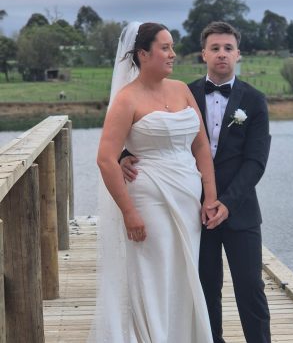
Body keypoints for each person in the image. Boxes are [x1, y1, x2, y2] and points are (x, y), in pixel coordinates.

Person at [121, 21, 272, 343]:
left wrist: (226, 203)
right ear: (204, 54)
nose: (222, 55)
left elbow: (256, 162)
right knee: (203, 288)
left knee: (251, 289)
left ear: (238, 54)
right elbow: (150, 129)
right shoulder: (182, 92)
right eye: (215, 48)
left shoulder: (255, 101)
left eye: (228, 48)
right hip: (190, 207)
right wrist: (123, 156)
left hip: (240, 210)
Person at [89, 21, 226, 343]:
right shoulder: (126, 99)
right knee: (155, 274)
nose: (172, 54)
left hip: (188, 198)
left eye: (172, 47)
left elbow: (201, 145)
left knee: (182, 273)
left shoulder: (181, 89)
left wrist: (210, 197)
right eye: (165, 48)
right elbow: (106, 159)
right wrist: (128, 212)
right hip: (149, 200)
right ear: (143, 54)